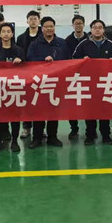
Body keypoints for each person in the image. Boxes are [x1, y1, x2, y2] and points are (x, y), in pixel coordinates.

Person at [72, 19, 112, 145]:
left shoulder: (110, 44)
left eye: (100, 27)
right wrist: (82, 60)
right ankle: (90, 135)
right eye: (95, 27)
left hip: (105, 83)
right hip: (89, 83)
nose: (97, 30)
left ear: (103, 30)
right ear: (91, 29)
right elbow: (74, 59)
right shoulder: (83, 44)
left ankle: (106, 135)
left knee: (105, 110)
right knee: (90, 111)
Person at [27, 16, 71, 149]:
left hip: (56, 82)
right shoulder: (35, 44)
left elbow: (68, 60)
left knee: (54, 110)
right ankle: (37, 138)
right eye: (46, 26)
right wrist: (43, 59)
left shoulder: (62, 43)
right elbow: (29, 59)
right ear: (42, 28)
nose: (49, 29)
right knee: (38, 111)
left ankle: (52, 137)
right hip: (39, 82)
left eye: (51, 26)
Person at [0, 23, 26, 153]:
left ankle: (14, 141)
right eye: (3, 31)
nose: (6, 34)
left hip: (15, 88)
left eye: (8, 31)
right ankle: (0, 141)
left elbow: (28, 69)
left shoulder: (19, 50)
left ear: (12, 34)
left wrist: (21, 61)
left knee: (15, 116)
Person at [16, 10, 42, 139]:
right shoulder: (21, 38)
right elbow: (18, 53)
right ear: (27, 21)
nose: (33, 21)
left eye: (35, 19)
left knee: (40, 101)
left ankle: (41, 128)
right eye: (31, 19)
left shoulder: (44, 35)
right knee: (26, 101)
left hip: (42, 73)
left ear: (39, 21)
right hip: (25, 73)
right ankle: (26, 128)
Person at [64, 14, 88, 139]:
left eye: (80, 23)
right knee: (72, 104)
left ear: (84, 25)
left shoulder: (90, 38)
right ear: (72, 25)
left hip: (88, 76)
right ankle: (74, 129)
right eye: (76, 23)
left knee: (89, 103)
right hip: (72, 76)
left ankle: (90, 130)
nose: (78, 25)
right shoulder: (67, 41)